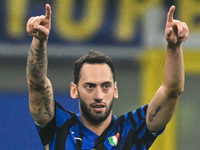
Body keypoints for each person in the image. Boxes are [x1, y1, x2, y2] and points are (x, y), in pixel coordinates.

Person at [26, 4, 189, 150]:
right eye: (90, 86)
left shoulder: (132, 129)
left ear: (115, 90)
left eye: (106, 86)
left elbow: (171, 91)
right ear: (74, 90)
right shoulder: (59, 127)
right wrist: (39, 42)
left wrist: (174, 47)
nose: (99, 95)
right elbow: (37, 85)